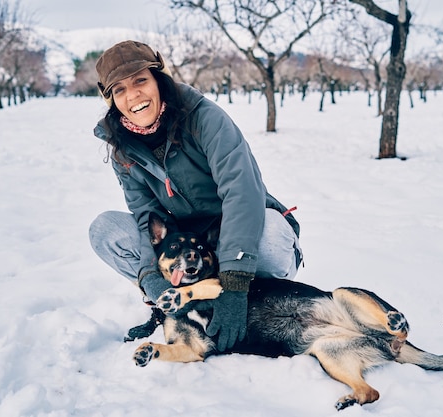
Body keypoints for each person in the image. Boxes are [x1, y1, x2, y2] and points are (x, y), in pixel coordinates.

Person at [88, 40, 302, 352]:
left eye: (140, 80)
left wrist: (235, 282)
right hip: (188, 245)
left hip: (240, 227)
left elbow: (242, 193)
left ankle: (250, 302)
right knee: (105, 229)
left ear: (159, 79)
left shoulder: (205, 118)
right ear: (110, 99)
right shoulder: (122, 146)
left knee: (269, 234)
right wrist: (153, 279)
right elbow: (147, 218)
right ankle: (177, 302)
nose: (132, 95)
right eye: (118, 89)